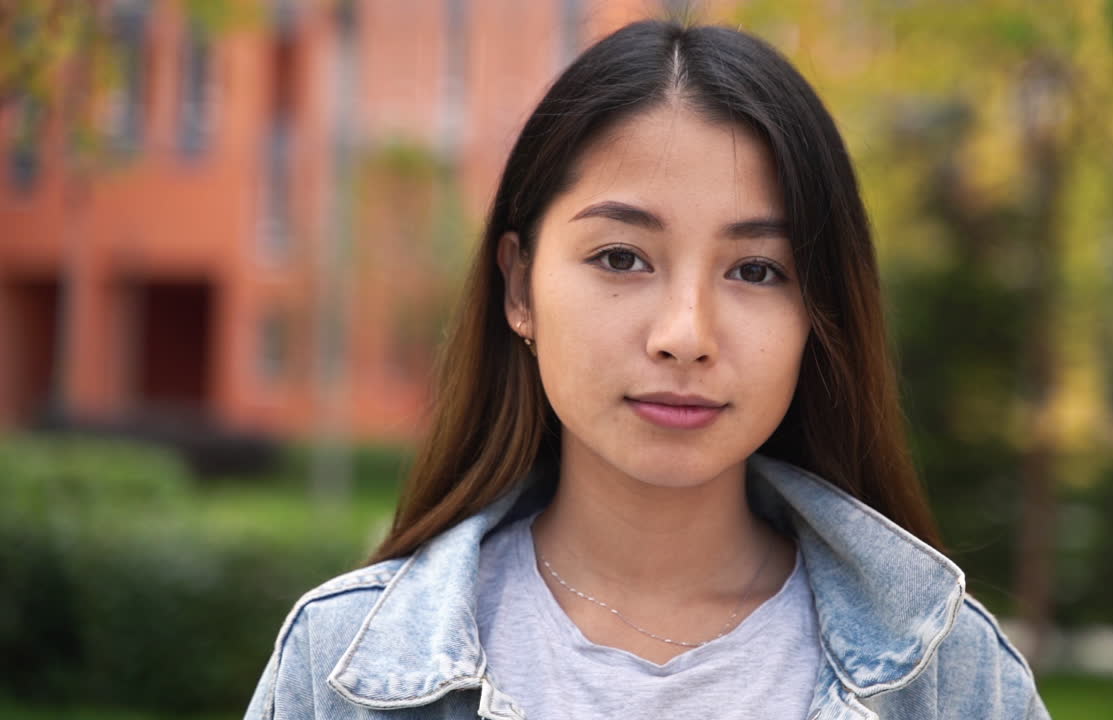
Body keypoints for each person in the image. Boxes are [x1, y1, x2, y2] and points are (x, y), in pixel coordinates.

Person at [245, 19, 1050, 720]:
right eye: (622, 257)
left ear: (821, 311)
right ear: (521, 286)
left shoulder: (951, 679)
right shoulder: (343, 670)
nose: (685, 334)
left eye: (757, 270)